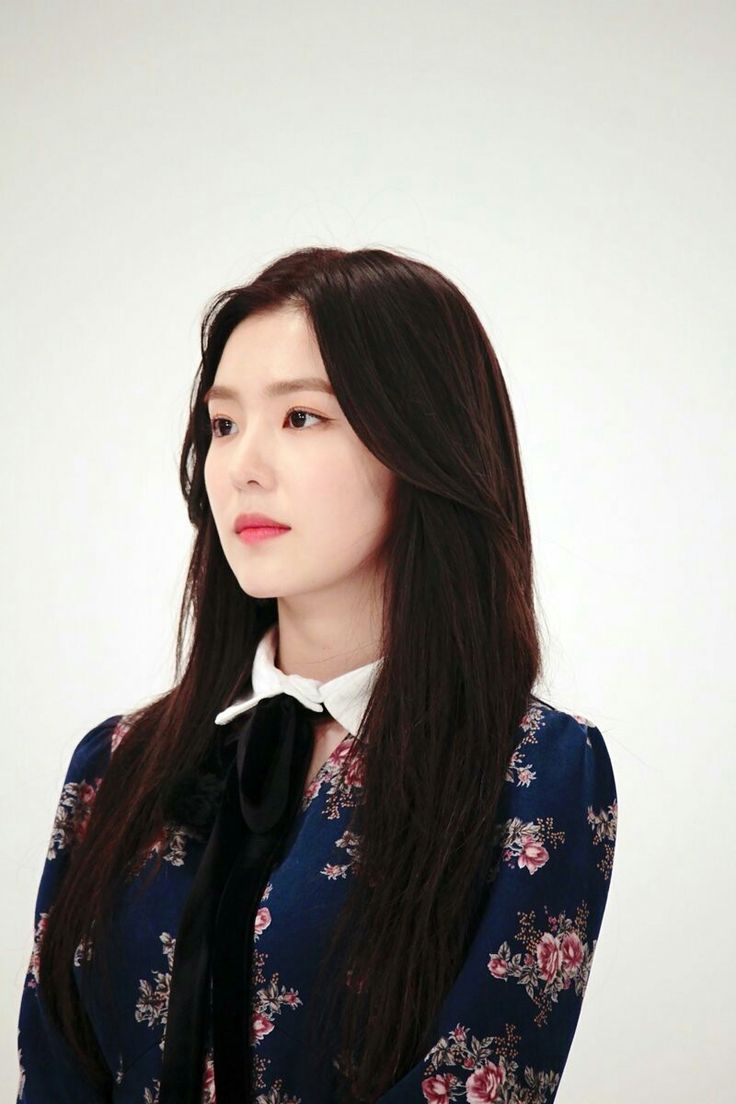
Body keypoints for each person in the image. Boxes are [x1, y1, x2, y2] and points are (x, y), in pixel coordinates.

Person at [16, 246, 618, 1104]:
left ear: (421, 443)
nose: (243, 466)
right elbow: (54, 1069)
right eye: (224, 424)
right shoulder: (115, 764)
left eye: (301, 417)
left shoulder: (533, 772)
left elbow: (478, 1078)